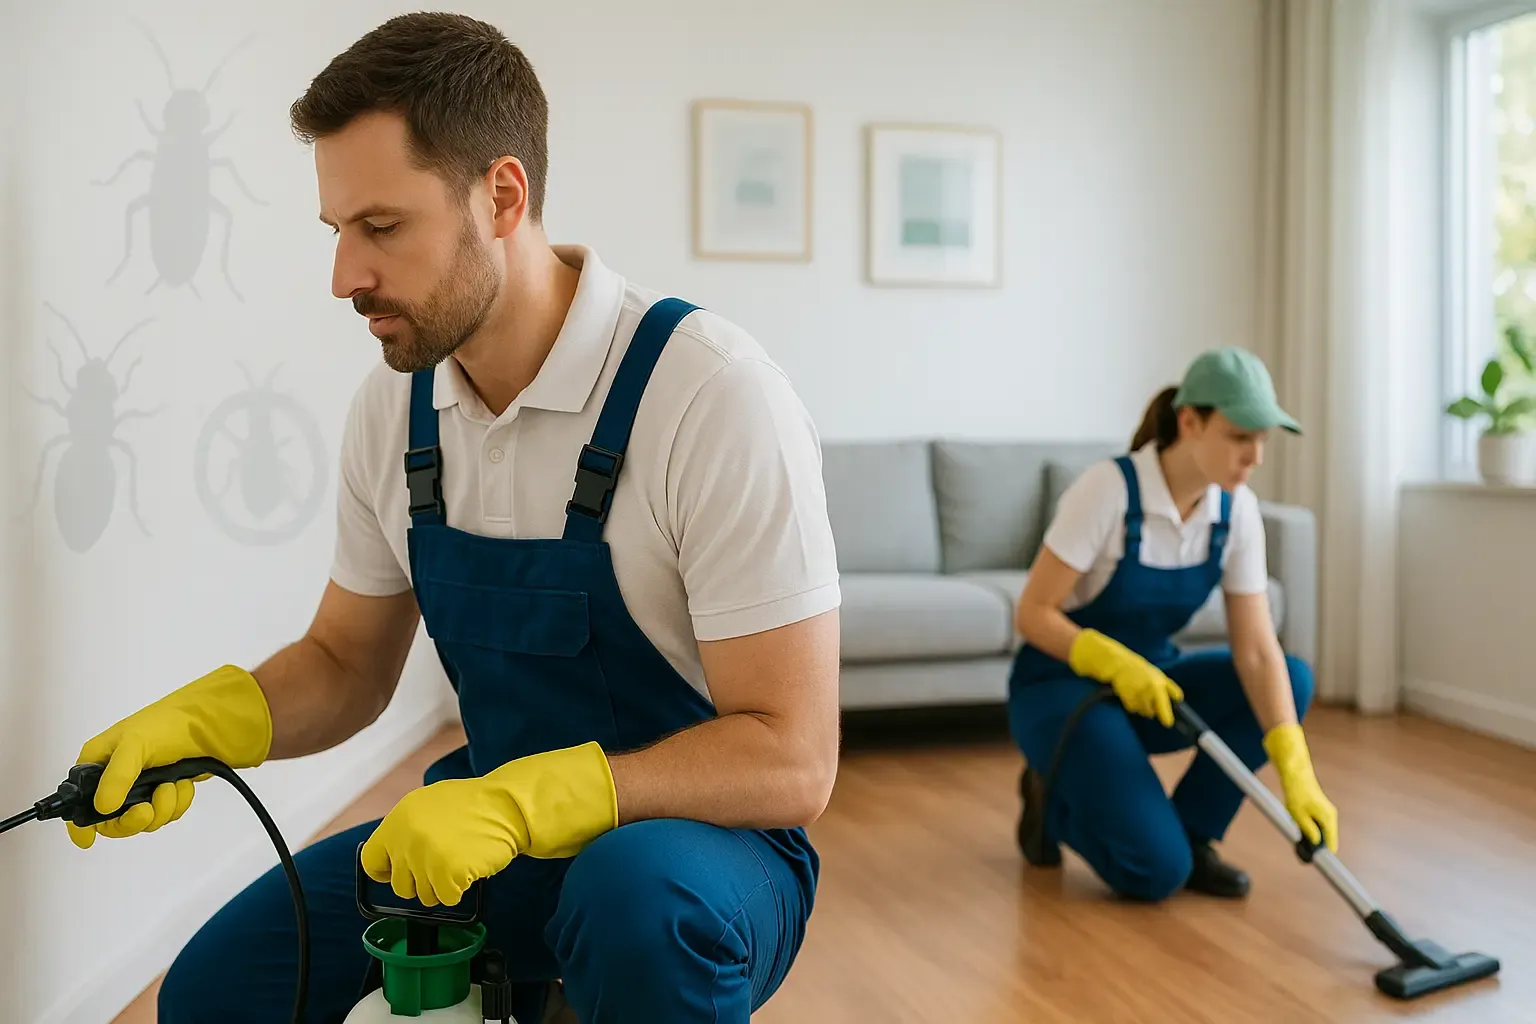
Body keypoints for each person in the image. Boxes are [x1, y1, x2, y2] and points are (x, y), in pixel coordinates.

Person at [63, 13, 842, 1023]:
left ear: (502, 196)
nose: (344, 277)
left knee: (632, 901)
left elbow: (792, 757)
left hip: (705, 852)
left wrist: (528, 800)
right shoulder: (396, 408)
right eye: (337, 230)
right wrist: (206, 726)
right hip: (489, 833)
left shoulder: (709, 395)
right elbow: (348, 664)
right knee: (218, 992)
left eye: (381, 227)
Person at [1008, 347, 1337, 902]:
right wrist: (1112, 662)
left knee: (1293, 678)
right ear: (1191, 422)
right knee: (1153, 874)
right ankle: (1051, 800)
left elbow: (1256, 651)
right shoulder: (1107, 489)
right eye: (1239, 437)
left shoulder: (1236, 511)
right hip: (1062, 692)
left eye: (1263, 440)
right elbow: (1032, 613)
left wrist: (1295, 765)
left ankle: (1192, 835)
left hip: (1151, 690)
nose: (1254, 456)